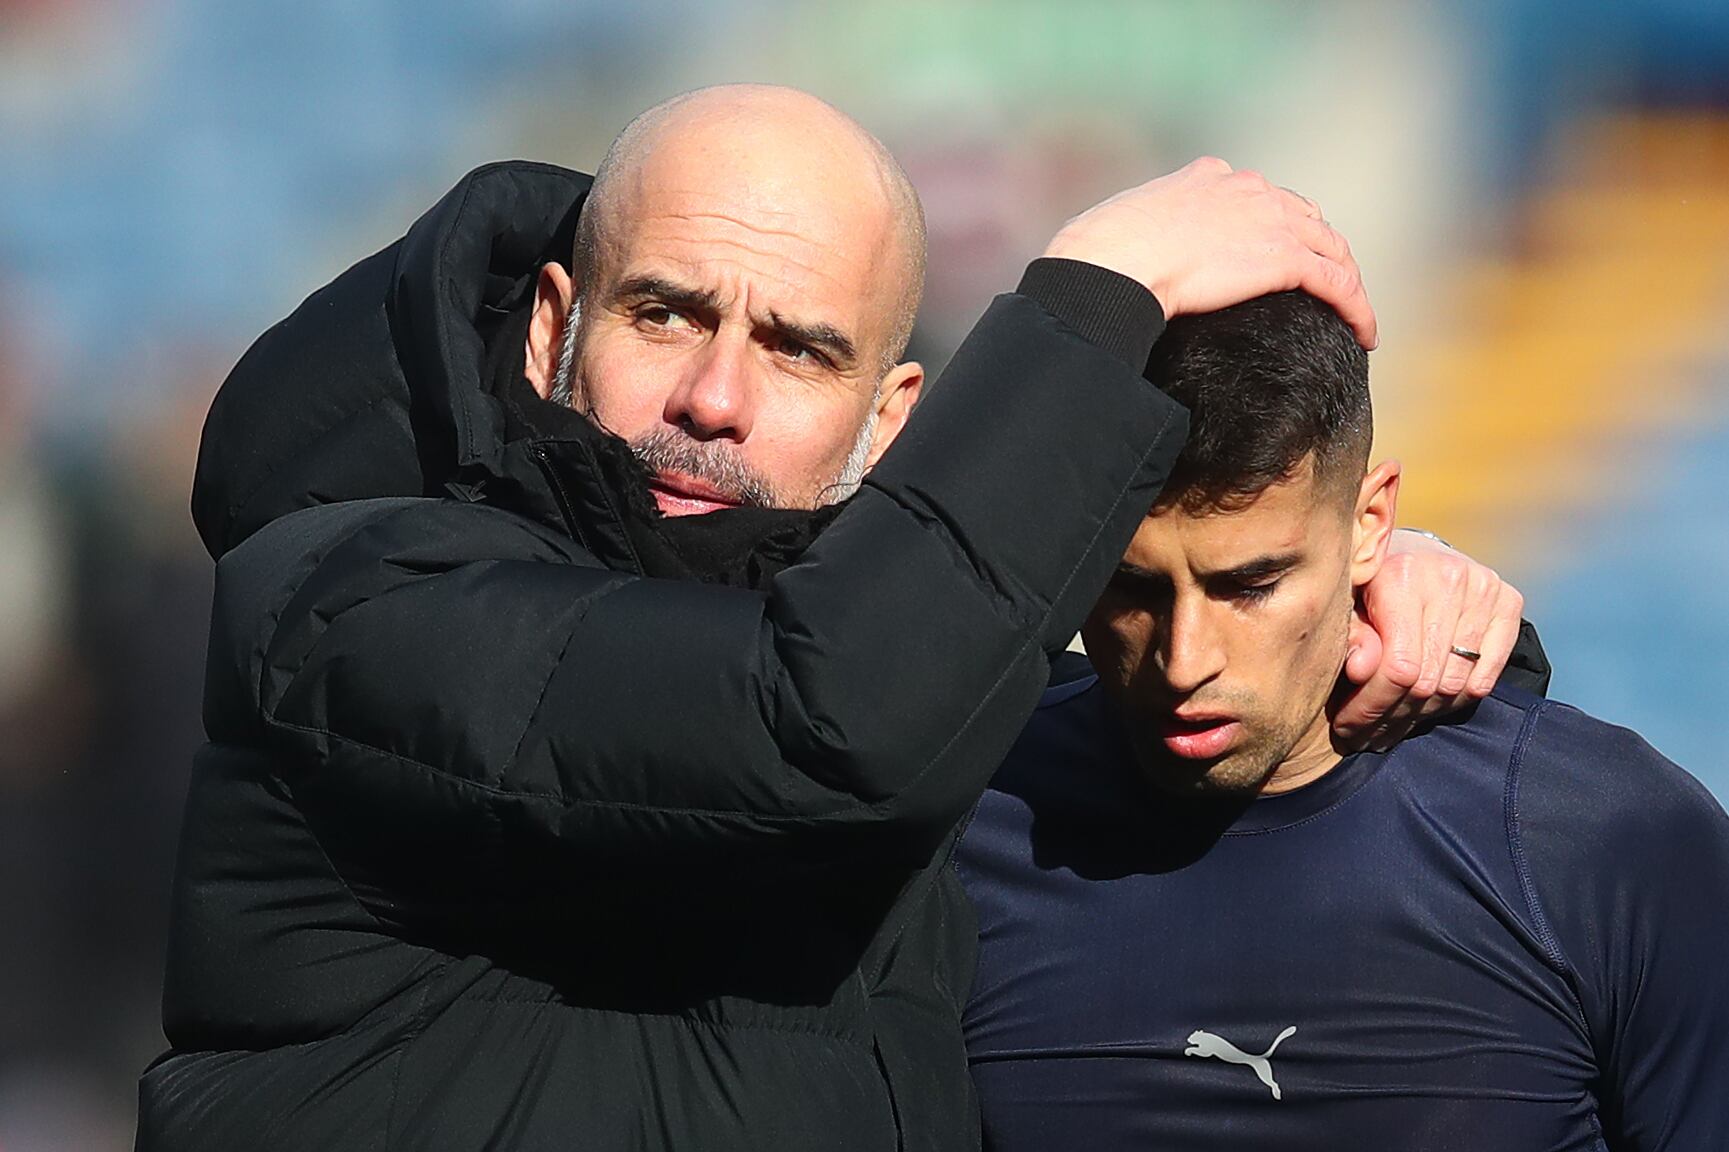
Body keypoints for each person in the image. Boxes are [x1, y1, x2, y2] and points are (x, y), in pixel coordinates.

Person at [140, 85, 1528, 1151]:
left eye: (799, 347)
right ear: (554, 327)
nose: (716, 403)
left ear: (893, 417)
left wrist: (1401, 630)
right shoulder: (352, 600)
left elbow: (1180, 732)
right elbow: (807, 731)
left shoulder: (902, 674)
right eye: (668, 314)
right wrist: (1095, 307)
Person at [959, 289, 1729, 1150]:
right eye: (1129, 585)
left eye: (1248, 585)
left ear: (1370, 523)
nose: (1185, 659)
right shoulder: (952, 818)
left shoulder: (1606, 841)